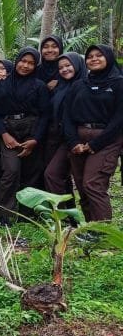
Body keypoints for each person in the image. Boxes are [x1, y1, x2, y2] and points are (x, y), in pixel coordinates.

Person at [0, 48, 50, 225]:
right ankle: (5, 214)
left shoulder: (39, 86)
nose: (26, 66)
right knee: (11, 171)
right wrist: (4, 134)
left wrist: (35, 139)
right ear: (16, 61)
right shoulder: (0, 83)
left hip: (31, 130)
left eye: (31, 63)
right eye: (23, 61)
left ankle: (27, 215)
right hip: (8, 130)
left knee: (31, 173)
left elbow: (45, 114)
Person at [62, 45, 123, 222]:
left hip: (107, 139)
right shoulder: (79, 85)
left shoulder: (119, 83)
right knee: (81, 185)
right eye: (90, 56)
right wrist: (73, 142)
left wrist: (94, 145)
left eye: (99, 55)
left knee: (93, 184)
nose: (94, 59)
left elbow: (119, 119)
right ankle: (90, 227)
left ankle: (102, 231)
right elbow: (67, 116)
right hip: (79, 138)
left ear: (109, 58)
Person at [44, 53, 86, 204]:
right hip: (62, 138)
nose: (64, 70)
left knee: (84, 183)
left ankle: (95, 224)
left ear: (77, 65)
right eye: (60, 67)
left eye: (68, 65)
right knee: (52, 174)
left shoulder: (86, 85)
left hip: (81, 138)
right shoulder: (59, 87)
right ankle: (64, 216)